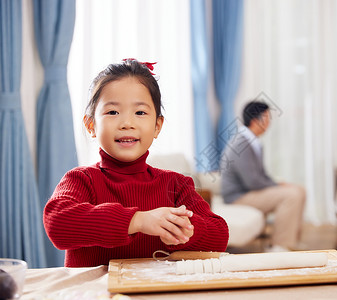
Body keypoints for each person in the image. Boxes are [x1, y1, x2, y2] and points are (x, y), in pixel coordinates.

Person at [43, 59, 229, 267]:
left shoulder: (176, 185)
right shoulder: (81, 179)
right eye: (112, 112)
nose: (127, 123)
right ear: (91, 125)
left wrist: (185, 229)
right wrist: (138, 221)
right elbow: (57, 222)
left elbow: (220, 235)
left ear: (157, 125)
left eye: (140, 112)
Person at [220, 101, 306, 252]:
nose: (269, 122)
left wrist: (278, 184)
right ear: (255, 121)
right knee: (292, 195)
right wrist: (278, 186)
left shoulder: (252, 141)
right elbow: (252, 181)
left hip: (249, 191)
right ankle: (279, 246)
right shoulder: (241, 143)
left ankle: (289, 241)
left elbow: (261, 175)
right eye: (267, 118)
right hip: (238, 197)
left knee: (299, 190)